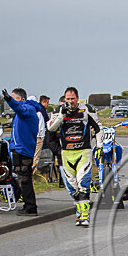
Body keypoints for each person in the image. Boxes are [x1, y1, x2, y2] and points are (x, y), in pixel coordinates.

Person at [47, 86, 102, 227]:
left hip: (83, 151)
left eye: (72, 99)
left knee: (83, 183)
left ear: (77, 98)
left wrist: (99, 146)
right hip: (66, 153)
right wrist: (61, 116)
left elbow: (98, 128)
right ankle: (79, 214)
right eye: (68, 99)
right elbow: (50, 128)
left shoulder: (86, 109)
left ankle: (85, 216)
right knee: (72, 187)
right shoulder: (58, 111)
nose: (70, 101)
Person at [2, 87, 39, 215]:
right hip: (21, 148)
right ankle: (28, 205)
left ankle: (30, 207)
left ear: (20, 99)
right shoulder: (25, 112)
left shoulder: (26, 109)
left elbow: (19, 108)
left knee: (24, 178)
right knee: (22, 177)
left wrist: (9, 100)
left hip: (22, 149)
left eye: (13, 98)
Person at [27, 95, 47, 172]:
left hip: (29, 137)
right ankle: (33, 172)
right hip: (38, 137)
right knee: (36, 156)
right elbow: (41, 126)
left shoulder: (26, 113)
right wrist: (42, 136)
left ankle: (31, 172)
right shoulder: (38, 113)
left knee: (31, 155)